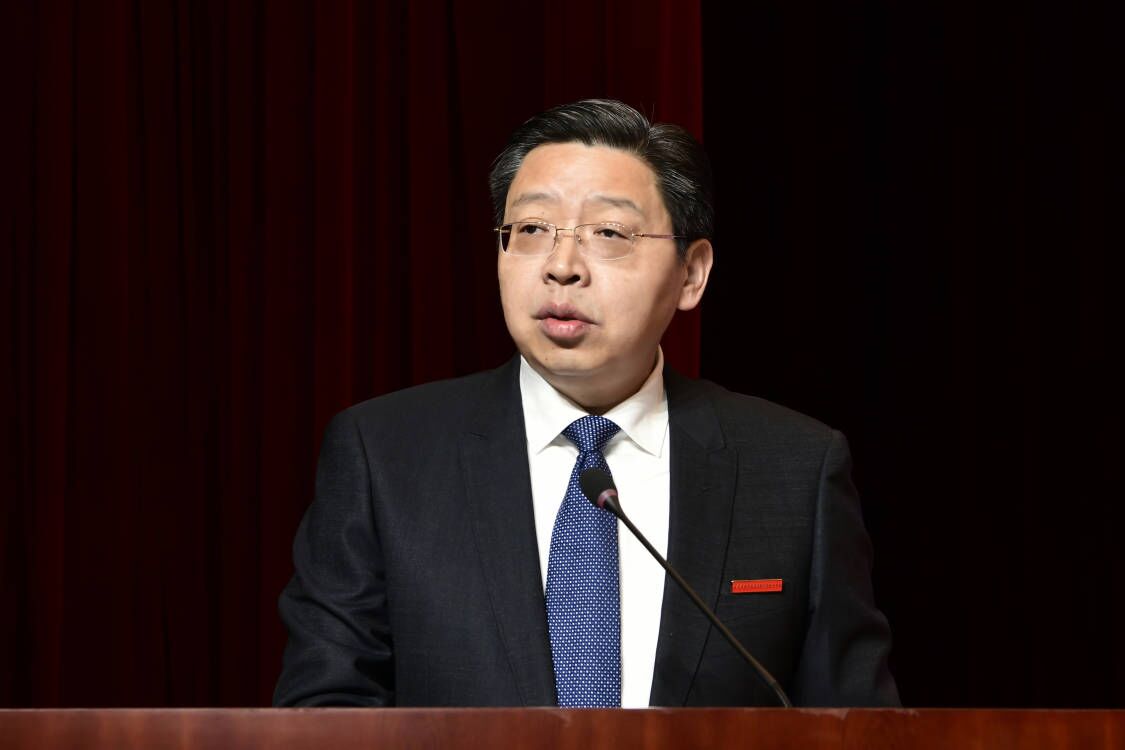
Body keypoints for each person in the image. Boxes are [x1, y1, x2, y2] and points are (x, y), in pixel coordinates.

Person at [273, 99, 899, 708]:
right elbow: (325, 711)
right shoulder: (385, 457)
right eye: (531, 229)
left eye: (609, 233)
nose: (562, 266)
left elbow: (858, 729)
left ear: (691, 274)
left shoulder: (794, 469)